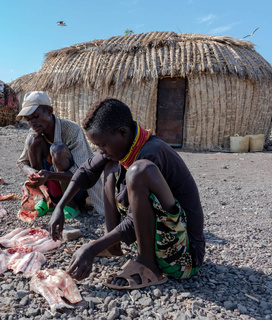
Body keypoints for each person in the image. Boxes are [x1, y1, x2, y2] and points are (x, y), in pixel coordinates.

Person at [48, 98, 205, 289]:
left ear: (122, 132)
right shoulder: (127, 145)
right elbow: (86, 171)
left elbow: (132, 222)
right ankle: (112, 247)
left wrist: (92, 248)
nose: (100, 151)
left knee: (138, 171)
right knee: (110, 165)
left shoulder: (151, 154)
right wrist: (61, 206)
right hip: (165, 242)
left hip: (184, 257)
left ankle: (148, 265)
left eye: (103, 145)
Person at [17, 91, 104, 216]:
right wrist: (34, 175)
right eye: (28, 119)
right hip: (51, 185)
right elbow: (21, 162)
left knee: (57, 149)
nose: (32, 123)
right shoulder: (34, 132)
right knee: (33, 141)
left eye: (35, 116)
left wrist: (50, 175)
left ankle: (70, 205)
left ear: (49, 111)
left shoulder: (71, 130)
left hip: (78, 188)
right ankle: (47, 200)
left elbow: (81, 171)